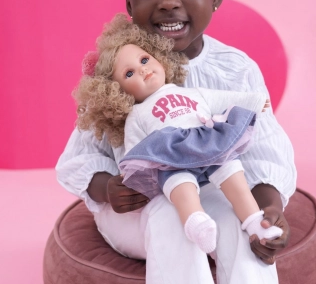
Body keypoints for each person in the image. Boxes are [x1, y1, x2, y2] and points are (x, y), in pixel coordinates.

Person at [56, 0, 296, 284]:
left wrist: (268, 207)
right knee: (169, 213)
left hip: (216, 197)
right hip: (141, 209)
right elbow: (80, 157)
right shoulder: (115, 73)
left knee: (243, 223)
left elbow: (265, 146)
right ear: (129, 4)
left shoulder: (235, 69)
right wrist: (108, 188)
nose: (168, 2)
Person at [74, 13, 283, 254]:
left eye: (144, 60)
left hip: (207, 145)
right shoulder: (137, 115)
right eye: (129, 74)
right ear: (118, 92)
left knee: (232, 169)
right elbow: (134, 152)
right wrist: (131, 176)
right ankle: (196, 222)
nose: (142, 70)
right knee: (178, 184)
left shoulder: (192, 92)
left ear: (159, 58)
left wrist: (255, 101)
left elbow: (223, 98)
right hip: (172, 159)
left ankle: (255, 222)